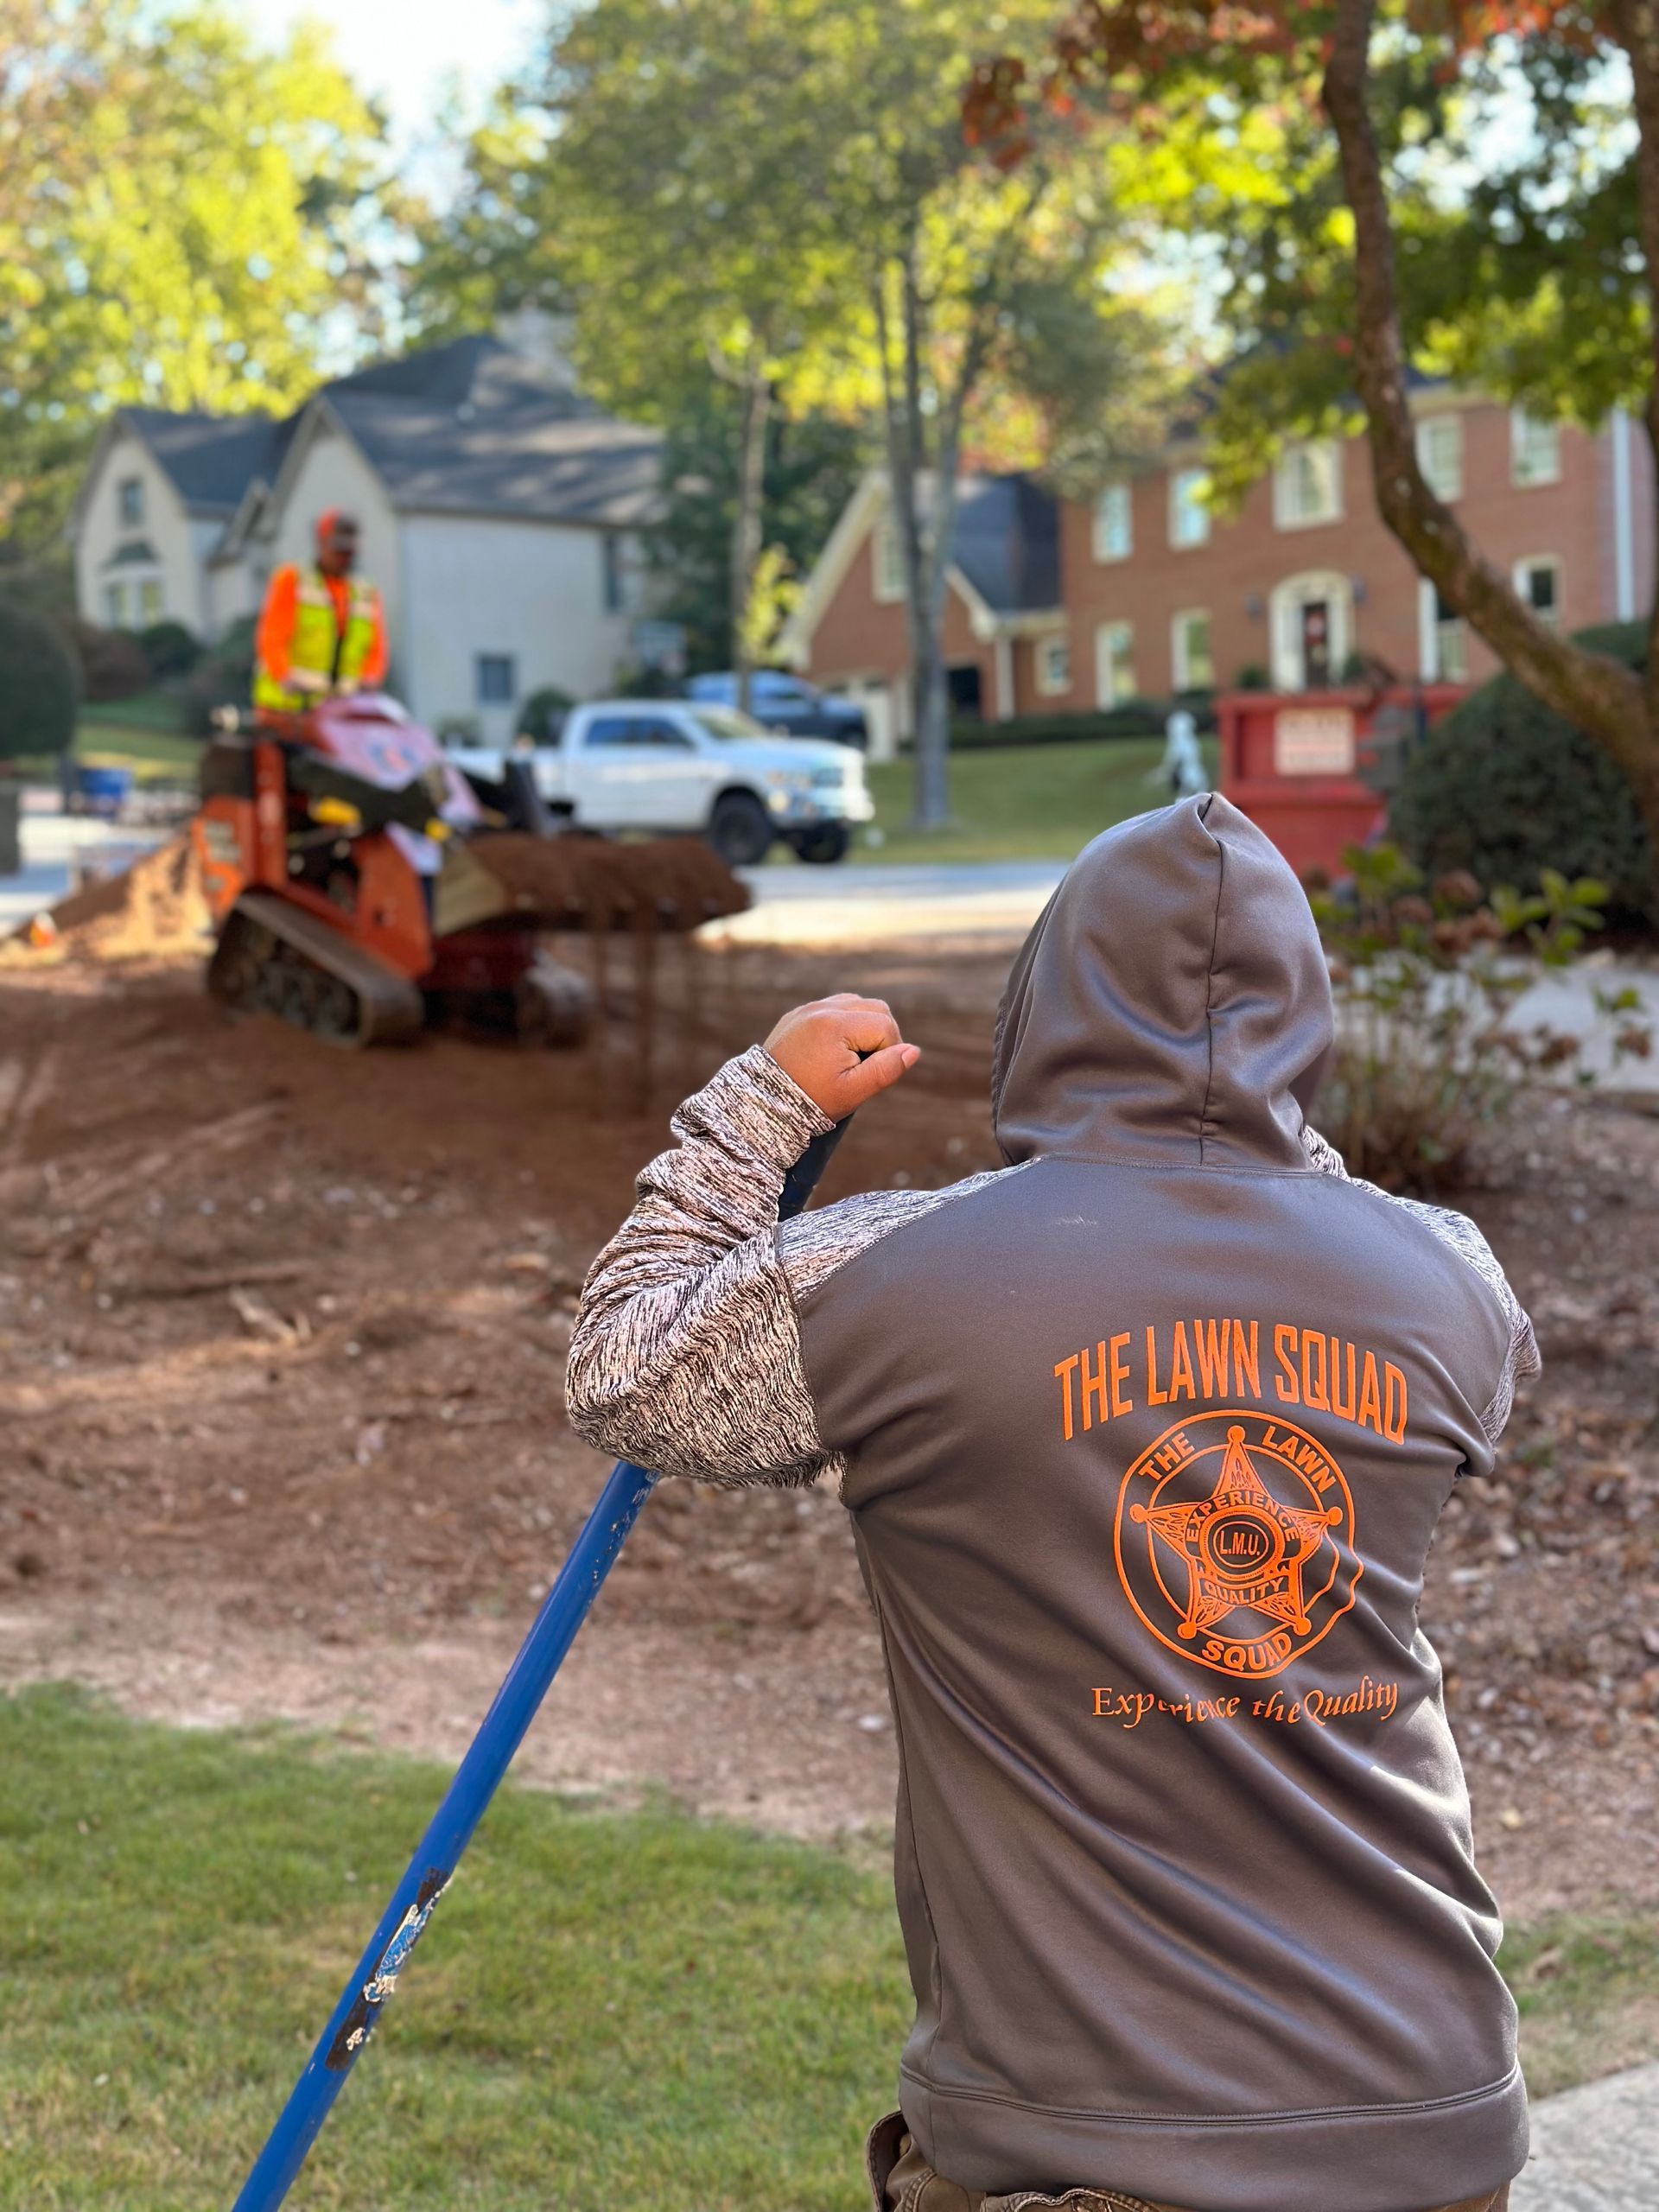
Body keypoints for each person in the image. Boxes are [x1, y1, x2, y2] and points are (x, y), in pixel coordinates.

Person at [567, 792, 1535, 2212]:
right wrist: (1252, 1123)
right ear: (1302, 1013)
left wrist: (766, 1103)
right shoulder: (1452, 1283)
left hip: (1097, 2150)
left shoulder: (906, 1279)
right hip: (1434, 2122)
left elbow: (627, 1371)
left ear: (1046, 1010)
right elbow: (1319, 1235)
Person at [253, 508, 386, 715]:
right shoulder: (292, 580)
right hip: (286, 709)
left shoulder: (366, 593)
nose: (344, 557)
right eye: (338, 550)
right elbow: (271, 639)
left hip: (340, 712)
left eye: (349, 551)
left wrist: (370, 678)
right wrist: (285, 676)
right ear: (321, 542)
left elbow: (376, 650)